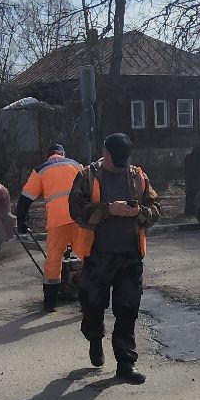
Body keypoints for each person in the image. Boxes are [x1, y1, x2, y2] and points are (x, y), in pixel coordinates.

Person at [67, 132, 161, 384]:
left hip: (130, 256)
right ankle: (95, 339)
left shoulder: (137, 176)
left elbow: (156, 209)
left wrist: (139, 212)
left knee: (128, 309)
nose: (120, 164)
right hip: (98, 256)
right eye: (115, 158)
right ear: (105, 152)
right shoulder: (88, 176)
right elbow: (76, 210)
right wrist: (108, 209)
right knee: (93, 305)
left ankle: (125, 364)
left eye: (124, 160)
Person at [16, 143, 87, 311]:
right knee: (87, 257)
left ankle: (50, 304)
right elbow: (90, 190)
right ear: (63, 153)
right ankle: (88, 300)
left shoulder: (41, 169)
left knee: (53, 261)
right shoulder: (77, 165)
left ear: (48, 155)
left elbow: (25, 199)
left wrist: (22, 222)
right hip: (79, 217)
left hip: (57, 221)